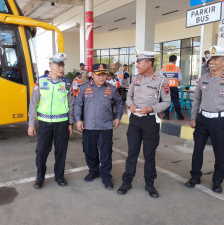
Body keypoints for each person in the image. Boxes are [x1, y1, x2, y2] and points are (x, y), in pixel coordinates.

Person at [185, 46, 224, 194]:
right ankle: (195, 176)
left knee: (220, 153)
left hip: (220, 121)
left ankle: (217, 181)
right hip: (202, 119)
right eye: (211, 58)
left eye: (216, 58)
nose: (212, 61)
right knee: (197, 150)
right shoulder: (204, 78)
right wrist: (193, 117)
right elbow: (196, 99)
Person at [117, 50, 171, 198]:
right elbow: (129, 97)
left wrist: (152, 108)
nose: (137, 66)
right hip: (134, 121)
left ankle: (150, 184)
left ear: (149, 63)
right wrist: (130, 105)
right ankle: (126, 182)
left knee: (149, 155)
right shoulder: (136, 78)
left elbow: (167, 102)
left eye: (140, 63)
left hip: (150, 121)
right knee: (132, 153)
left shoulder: (161, 80)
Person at [28, 53, 74, 189]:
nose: (61, 68)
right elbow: (33, 104)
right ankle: (39, 178)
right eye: (58, 65)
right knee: (41, 151)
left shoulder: (66, 83)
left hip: (62, 124)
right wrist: (31, 124)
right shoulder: (41, 82)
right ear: (50, 66)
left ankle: (59, 176)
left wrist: (70, 123)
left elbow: (70, 105)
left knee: (61, 151)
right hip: (45, 123)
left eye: (62, 65)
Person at [74, 64, 123, 190]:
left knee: (106, 153)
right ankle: (93, 171)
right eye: (98, 74)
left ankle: (106, 176)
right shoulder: (84, 88)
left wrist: (118, 117)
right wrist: (78, 120)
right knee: (90, 151)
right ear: (93, 75)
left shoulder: (111, 88)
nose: (102, 77)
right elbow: (78, 104)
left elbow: (119, 102)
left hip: (106, 127)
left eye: (104, 74)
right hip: (88, 127)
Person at [161, 55, 184, 120]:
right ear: (175, 61)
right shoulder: (177, 68)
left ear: (169, 60)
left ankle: (167, 116)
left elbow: (160, 78)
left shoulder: (164, 68)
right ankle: (180, 116)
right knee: (176, 102)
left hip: (166, 88)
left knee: (166, 101)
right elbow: (180, 79)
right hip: (174, 87)